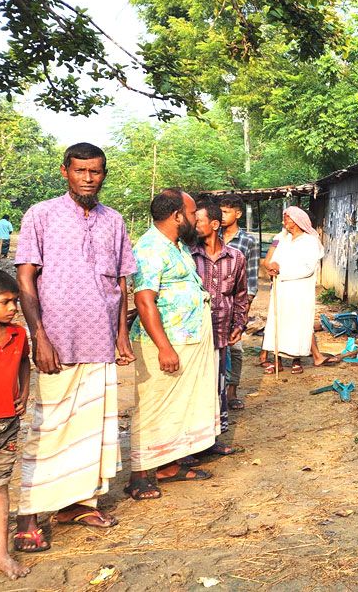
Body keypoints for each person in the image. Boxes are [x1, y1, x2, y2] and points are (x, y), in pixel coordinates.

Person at [13, 142, 134, 553]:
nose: (88, 177)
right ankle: (28, 513)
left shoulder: (114, 221)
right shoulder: (41, 215)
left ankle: (76, 504)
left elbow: (120, 284)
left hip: (100, 341)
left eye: (96, 171)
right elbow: (26, 280)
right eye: (80, 170)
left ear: (103, 174)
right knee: (49, 429)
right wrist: (39, 337)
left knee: (92, 429)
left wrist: (120, 337)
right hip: (57, 343)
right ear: (65, 171)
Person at [126, 189, 218, 499]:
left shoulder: (177, 247)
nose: (196, 220)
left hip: (186, 339)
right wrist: (164, 347)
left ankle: (167, 465)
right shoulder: (151, 248)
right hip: (163, 343)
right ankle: (139, 475)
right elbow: (144, 300)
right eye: (192, 214)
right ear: (177, 216)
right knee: (153, 408)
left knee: (176, 408)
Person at [190, 198, 248, 446]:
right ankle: (192, 442)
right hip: (193, 333)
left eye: (198, 220)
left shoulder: (236, 258)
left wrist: (239, 323)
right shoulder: (188, 256)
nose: (193, 224)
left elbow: (241, 295)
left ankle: (211, 440)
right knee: (194, 387)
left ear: (214, 225)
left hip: (222, 330)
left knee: (217, 384)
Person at [260, 206, 330, 373]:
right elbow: (272, 261)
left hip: (300, 290)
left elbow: (307, 268)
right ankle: (278, 361)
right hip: (281, 288)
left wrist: (281, 271)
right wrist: (272, 268)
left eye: (287, 218)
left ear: (298, 221)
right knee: (278, 323)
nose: (284, 221)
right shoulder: (283, 240)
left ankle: (296, 361)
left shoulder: (310, 241)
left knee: (298, 324)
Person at [0, 270, 30, 579]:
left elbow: (23, 364)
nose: (13, 308)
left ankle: (1, 554)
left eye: (15, 301)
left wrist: (25, 390)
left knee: (0, 487)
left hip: (7, 424)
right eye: (5, 302)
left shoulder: (19, 335)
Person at [217, 195, 257, 410]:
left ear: (238, 214)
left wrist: (244, 310)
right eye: (220, 211)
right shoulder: (212, 235)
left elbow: (251, 278)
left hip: (236, 302)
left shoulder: (247, 241)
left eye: (226, 212)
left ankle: (232, 391)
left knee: (236, 349)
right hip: (215, 301)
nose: (222, 216)